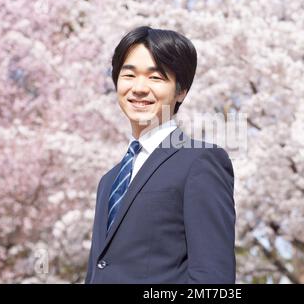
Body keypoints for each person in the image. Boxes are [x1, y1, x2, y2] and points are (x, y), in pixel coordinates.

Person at [85, 26, 235, 283]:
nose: (139, 88)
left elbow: (212, 278)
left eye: (156, 78)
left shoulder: (199, 161)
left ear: (181, 90)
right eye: (129, 75)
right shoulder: (109, 181)